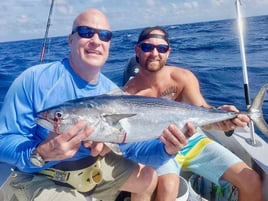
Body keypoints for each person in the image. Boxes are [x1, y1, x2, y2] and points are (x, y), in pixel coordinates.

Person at [0, 10, 195, 201]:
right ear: (70, 40)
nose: (95, 40)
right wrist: (41, 153)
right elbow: (3, 140)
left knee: (148, 178)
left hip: (90, 167)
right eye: (86, 32)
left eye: (104, 35)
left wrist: (167, 149)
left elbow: (135, 150)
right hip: (40, 174)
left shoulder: (112, 93)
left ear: (108, 44)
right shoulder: (34, 80)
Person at [123, 26, 264, 201]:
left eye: (161, 48)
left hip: (193, 141)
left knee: (251, 180)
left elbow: (203, 111)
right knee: (168, 188)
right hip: (160, 146)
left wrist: (223, 117)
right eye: (147, 47)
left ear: (168, 52)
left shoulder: (182, 77)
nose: (154, 53)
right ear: (137, 50)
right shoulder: (128, 95)